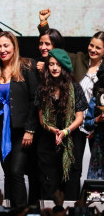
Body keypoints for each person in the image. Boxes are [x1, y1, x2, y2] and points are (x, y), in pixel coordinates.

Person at [37, 9, 104, 200]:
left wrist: (97, 120)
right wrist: (44, 26)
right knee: (74, 169)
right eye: (91, 45)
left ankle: (95, 206)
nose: (93, 50)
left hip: (97, 124)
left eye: (98, 48)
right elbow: (56, 52)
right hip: (76, 125)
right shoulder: (79, 59)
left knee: (98, 171)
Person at [0, 31, 38, 207]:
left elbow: (34, 100)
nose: (2, 50)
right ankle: (12, 210)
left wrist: (30, 129)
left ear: (14, 46)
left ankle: (21, 211)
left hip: (21, 132)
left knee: (16, 172)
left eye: (6, 45)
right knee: (8, 174)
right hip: (0, 132)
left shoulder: (26, 67)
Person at [35, 48, 88, 199]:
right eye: (51, 64)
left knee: (71, 188)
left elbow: (79, 118)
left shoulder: (75, 87)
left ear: (64, 66)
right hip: (48, 143)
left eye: (58, 64)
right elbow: (41, 120)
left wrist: (65, 131)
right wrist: (54, 131)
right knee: (49, 188)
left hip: (71, 142)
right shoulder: (42, 88)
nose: (54, 68)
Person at [84, 67, 104, 179]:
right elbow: (87, 123)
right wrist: (97, 120)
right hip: (99, 148)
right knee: (96, 186)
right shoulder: (96, 99)